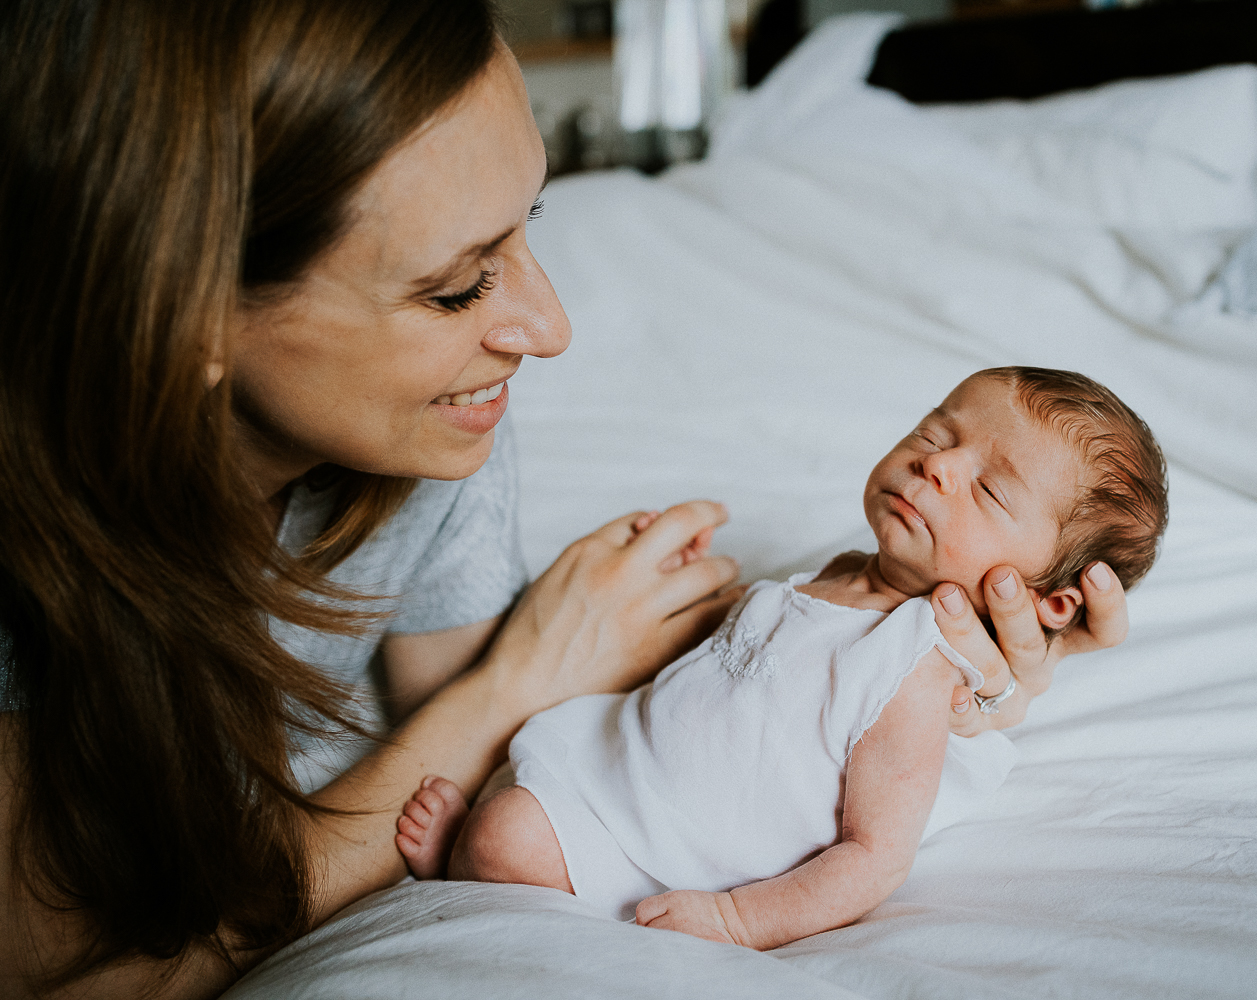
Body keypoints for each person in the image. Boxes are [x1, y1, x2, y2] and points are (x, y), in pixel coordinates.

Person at [0, 2, 1131, 997]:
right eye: (456, 287)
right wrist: (522, 675)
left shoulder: (436, 436)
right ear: (182, 312)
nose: (546, 331)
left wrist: (969, 690)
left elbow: (501, 764)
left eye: (531, 226)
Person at [395, 368, 1167, 948]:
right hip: (625, 757)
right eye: (935, 433)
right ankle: (482, 846)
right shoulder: (838, 570)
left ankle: (470, 864)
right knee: (518, 776)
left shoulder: (915, 671)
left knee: (506, 839)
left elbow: (873, 854)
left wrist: (736, 919)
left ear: (1049, 601)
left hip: (668, 841)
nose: (936, 466)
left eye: (991, 491)